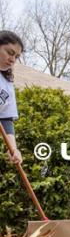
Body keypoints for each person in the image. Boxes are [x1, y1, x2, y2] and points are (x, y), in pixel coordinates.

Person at [0, 31, 24, 165]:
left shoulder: (7, 84)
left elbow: (6, 119)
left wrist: (13, 149)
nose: (13, 59)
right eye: (9, 52)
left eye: (17, 56)